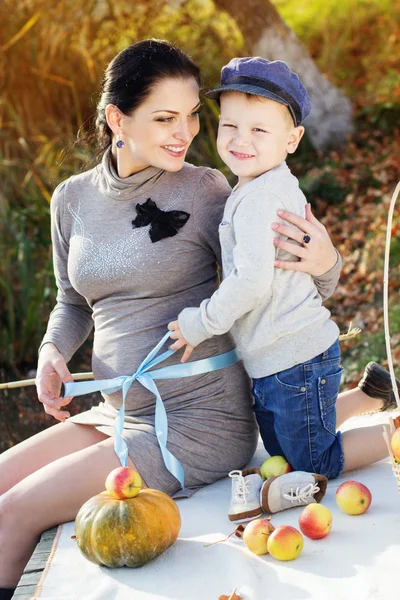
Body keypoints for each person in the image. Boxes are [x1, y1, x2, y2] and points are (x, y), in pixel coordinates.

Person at [0, 41, 394, 598]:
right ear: (117, 119)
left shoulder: (209, 190)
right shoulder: (70, 199)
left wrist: (326, 258)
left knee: (13, 514)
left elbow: (294, 282)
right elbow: (71, 303)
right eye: (165, 118)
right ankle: (367, 396)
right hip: (117, 408)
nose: (184, 132)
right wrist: (51, 351)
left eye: (190, 116)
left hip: (195, 420)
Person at [168, 57, 396, 520]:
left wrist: (200, 322)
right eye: (230, 125)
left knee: (315, 461)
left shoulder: (259, 197)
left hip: (294, 356)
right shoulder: (256, 187)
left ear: (291, 140)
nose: (239, 139)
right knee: (291, 445)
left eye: (259, 130)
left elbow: (251, 281)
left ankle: (391, 431)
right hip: (282, 357)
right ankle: (373, 392)